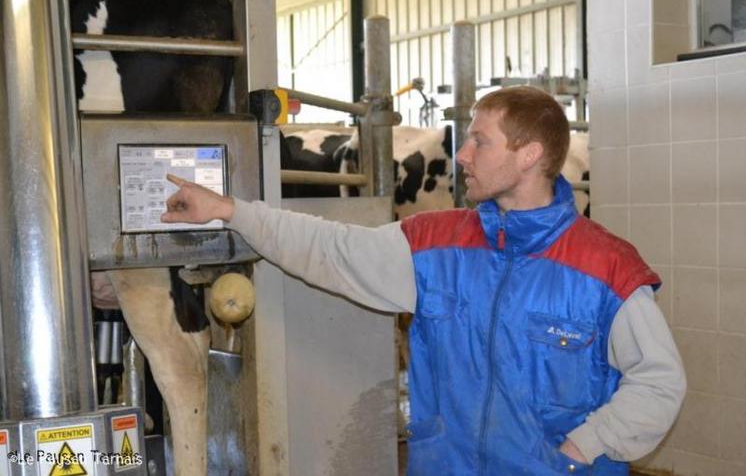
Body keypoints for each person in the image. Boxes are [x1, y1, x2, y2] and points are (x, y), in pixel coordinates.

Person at [161, 86, 686, 476]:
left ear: (529, 156)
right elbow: (330, 250)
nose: (462, 155)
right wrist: (230, 210)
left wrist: (583, 447)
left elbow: (660, 383)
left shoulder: (606, 268)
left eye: (480, 141)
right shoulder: (436, 245)